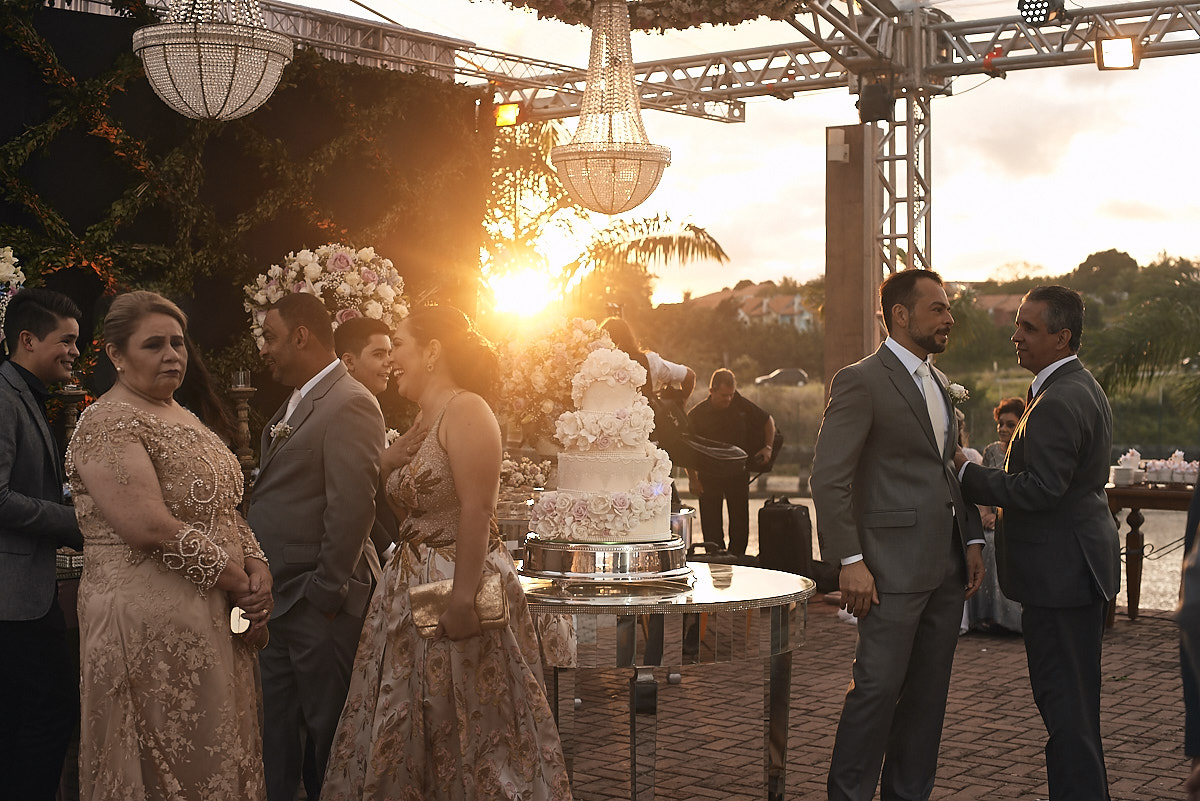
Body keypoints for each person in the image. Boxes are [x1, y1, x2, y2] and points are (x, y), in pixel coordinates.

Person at [322, 305, 572, 800]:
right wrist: (385, 463)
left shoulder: (468, 409)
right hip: (406, 588)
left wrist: (462, 602)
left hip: (458, 584)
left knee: (467, 717)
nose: (392, 358)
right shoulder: (423, 418)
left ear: (433, 350)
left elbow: (478, 510)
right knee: (408, 714)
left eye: (400, 345)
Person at [67, 291, 271, 798]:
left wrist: (256, 563)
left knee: (218, 752)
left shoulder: (181, 413)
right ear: (116, 354)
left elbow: (223, 506)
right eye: (153, 344)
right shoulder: (108, 422)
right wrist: (238, 581)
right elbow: (149, 527)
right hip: (143, 623)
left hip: (210, 613)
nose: (172, 354)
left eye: (178, 343)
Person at [810, 268, 984, 801]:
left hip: (946, 567)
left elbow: (946, 469)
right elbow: (828, 478)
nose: (949, 317)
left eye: (948, 306)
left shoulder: (936, 381)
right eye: (938, 307)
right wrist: (850, 560)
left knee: (928, 699)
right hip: (887, 570)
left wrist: (972, 539)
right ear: (901, 315)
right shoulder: (861, 380)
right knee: (877, 692)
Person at [955, 285, 1121, 801]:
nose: (1016, 336)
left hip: (1061, 576)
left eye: (1029, 327)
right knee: (1075, 709)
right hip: (1075, 568)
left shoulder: (1058, 398)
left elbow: (1042, 489)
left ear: (1062, 336)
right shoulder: (1078, 386)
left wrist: (971, 473)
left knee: (1066, 710)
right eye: (1018, 325)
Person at [247, 292, 385, 801]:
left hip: (316, 602)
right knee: (276, 733)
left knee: (329, 735)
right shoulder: (297, 401)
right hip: (278, 601)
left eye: (271, 336)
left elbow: (352, 506)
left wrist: (326, 592)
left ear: (301, 335)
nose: (265, 349)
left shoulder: (350, 402)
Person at [0, 288, 84, 800]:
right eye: (67, 340)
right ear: (28, 339)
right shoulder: (4, 397)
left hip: (24, 596)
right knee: (50, 714)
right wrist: (70, 521)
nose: (76, 351)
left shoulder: (22, 393)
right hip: (13, 600)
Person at [686, 368, 775, 555]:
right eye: (723, 395)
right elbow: (688, 449)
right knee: (711, 523)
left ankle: (738, 557)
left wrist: (768, 447)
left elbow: (768, 420)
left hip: (737, 473)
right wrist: (693, 479)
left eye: (731, 395)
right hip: (709, 475)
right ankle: (716, 556)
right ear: (712, 391)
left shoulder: (740, 404)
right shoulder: (697, 414)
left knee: (740, 521)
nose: (728, 399)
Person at [966, 396, 1026, 634]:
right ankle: (984, 616)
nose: (1003, 429)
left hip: (1014, 519)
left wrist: (1000, 517)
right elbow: (983, 489)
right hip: (991, 519)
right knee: (982, 542)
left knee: (1000, 543)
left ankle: (1009, 619)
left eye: (1010, 425)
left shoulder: (1025, 452)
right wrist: (985, 514)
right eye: (1000, 423)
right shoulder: (991, 451)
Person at [334, 316, 394, 397]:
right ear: (349, 361)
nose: (389, 362)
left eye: (389, 354)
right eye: (378, 354)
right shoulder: (354, 404)